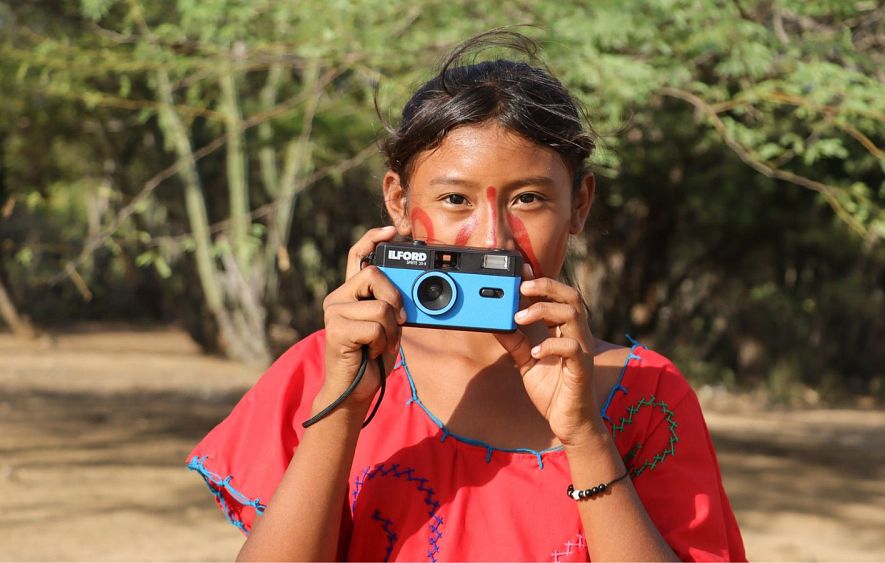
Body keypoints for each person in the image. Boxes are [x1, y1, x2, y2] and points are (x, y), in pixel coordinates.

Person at [187, 30, 746, 562]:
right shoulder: (324, 371)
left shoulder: (648, 397)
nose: (491, 238)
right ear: (399, 202)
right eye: (455, 198)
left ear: (579, 205)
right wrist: (343, 409)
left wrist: (584, 435)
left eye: (528, 199)